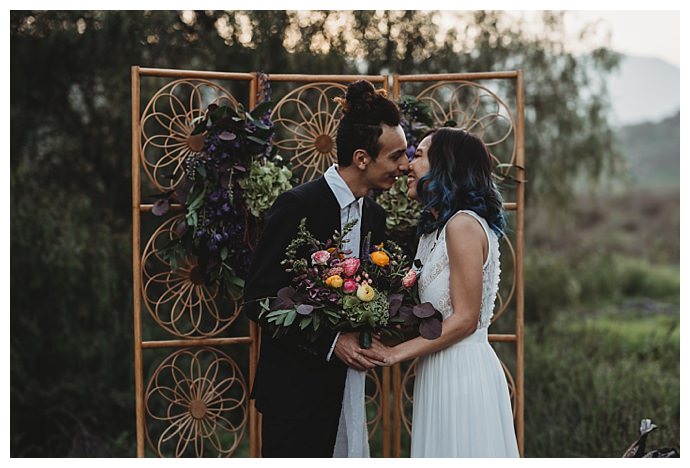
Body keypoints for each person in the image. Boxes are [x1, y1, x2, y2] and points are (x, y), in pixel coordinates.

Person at [243, 80, 409, 457]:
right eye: (396, 156)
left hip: (349, 390)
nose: (404, 165)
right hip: (294, 394)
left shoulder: (375, 217)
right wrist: (332, 343)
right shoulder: (296, 206)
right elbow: (259, 299)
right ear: (363, 158)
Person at [361, 127, 520, 457]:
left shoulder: (462, 225)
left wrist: (395, 354)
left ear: (444, 167)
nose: (407, 166)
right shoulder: (434, 231)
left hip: (462, 373)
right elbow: (434, 314)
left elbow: (465, 319)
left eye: (417, 156)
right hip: (438, 368)